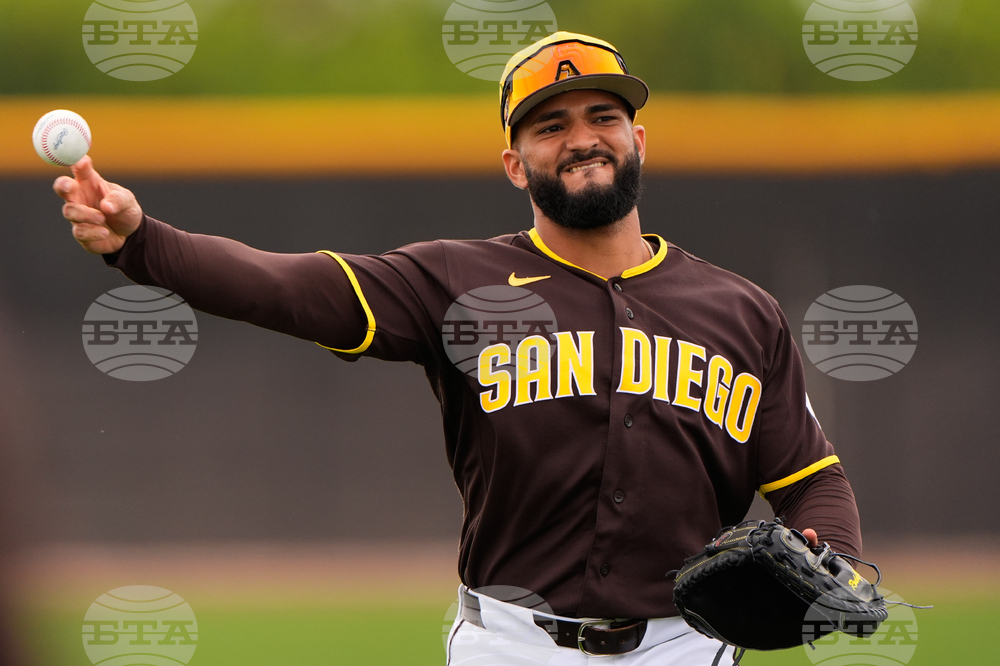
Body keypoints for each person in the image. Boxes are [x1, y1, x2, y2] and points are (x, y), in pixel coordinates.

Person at [54, 32, 862, 666]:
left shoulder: (741, 310)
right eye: (551, 126)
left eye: (603, 117)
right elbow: (290, 287)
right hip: (512, 646)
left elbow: (810, 479)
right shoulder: (456, 280)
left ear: (639, 138)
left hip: (687, 647)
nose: (582, 139)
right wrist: (140, 240)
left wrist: (838, 554)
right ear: (516, 164)